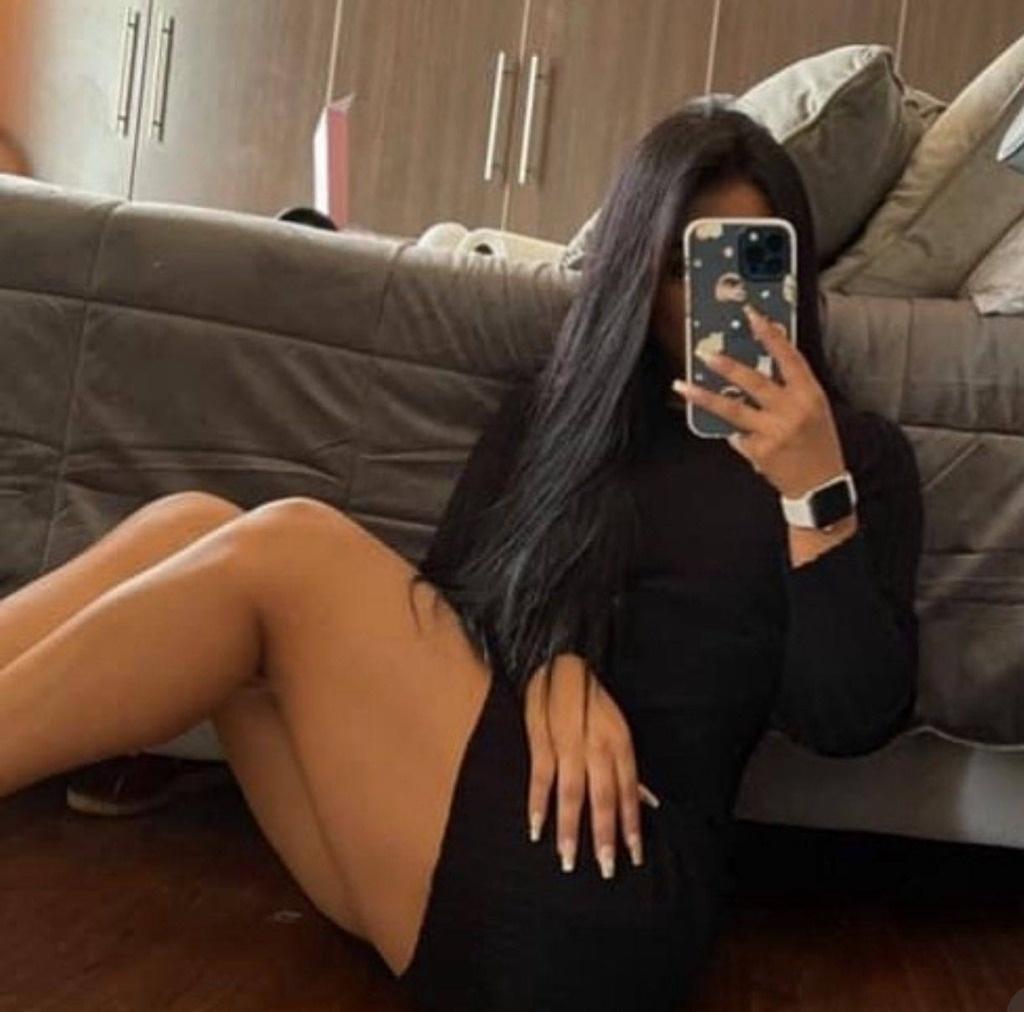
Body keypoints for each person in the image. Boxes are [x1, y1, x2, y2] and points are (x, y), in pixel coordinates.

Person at [0, 97, 921, 1012]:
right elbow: (445, 608)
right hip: (450, 835)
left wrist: (813, 493)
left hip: (606, 884)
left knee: (288, 547)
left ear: (794, 269)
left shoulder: (853, 456)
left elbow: (849, 718)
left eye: (754, 260)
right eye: (682, 266)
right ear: (634, 273)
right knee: (191, 522)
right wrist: (553, 662)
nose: (716, 300)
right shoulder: (562, 415)